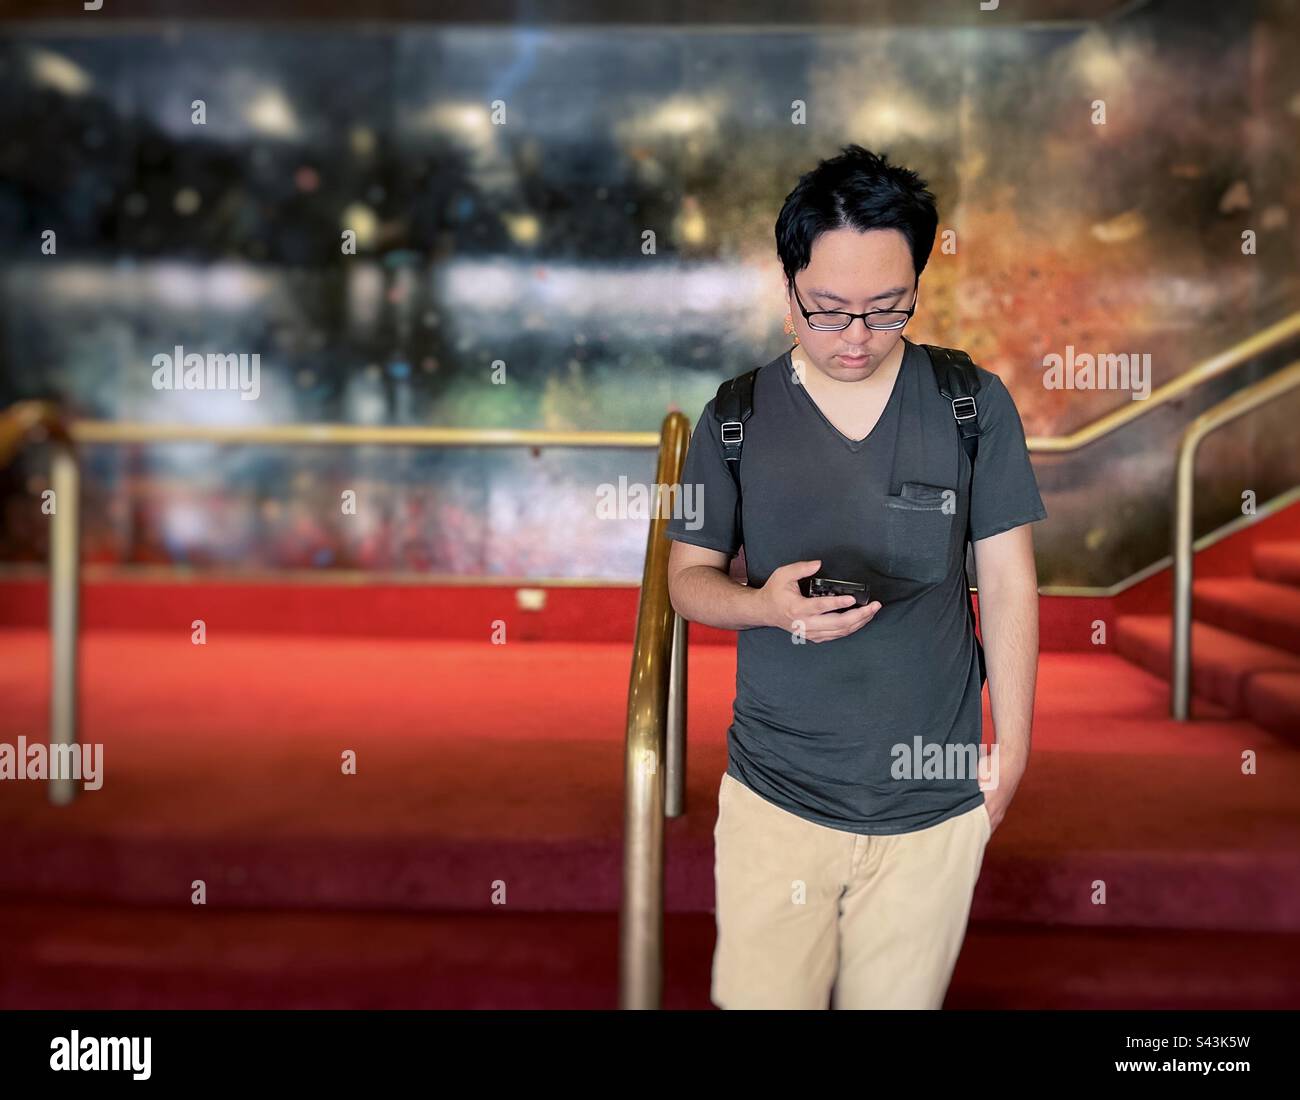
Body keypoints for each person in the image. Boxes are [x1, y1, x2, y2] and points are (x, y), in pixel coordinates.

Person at [664, 144, 1047, 1009]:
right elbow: (688, 582)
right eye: (828, 311)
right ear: (787, 284)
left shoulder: (969, 404)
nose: (859, 338)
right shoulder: (737, 417)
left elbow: (1010, 582)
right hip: (774, 794)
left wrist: (1014, 745)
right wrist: (761, 605)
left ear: (918, 283)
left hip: (934, 800)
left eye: (888, 309)